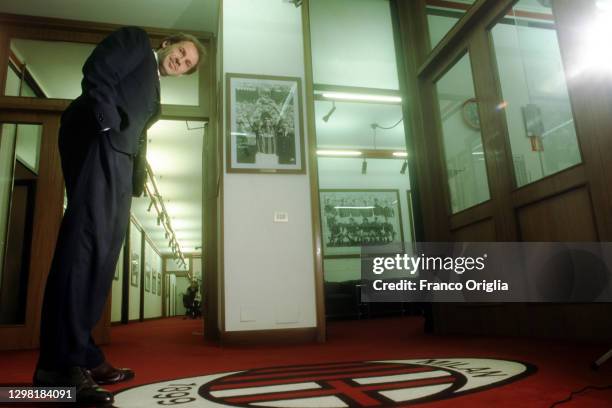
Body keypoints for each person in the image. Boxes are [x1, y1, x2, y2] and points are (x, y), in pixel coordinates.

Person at [32, 27, 206, 405]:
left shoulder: (155, 91)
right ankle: (58, 366)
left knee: (103, 253)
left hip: (119, 163)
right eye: (181, 52)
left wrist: (136, 177)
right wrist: (107, 124)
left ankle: (85, 353)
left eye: (188, 63)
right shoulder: (136, 43)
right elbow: (98, 71)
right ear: (168, 44)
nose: (181, 61)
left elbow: (140, 131)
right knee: (83, 251)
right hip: (99, 142)